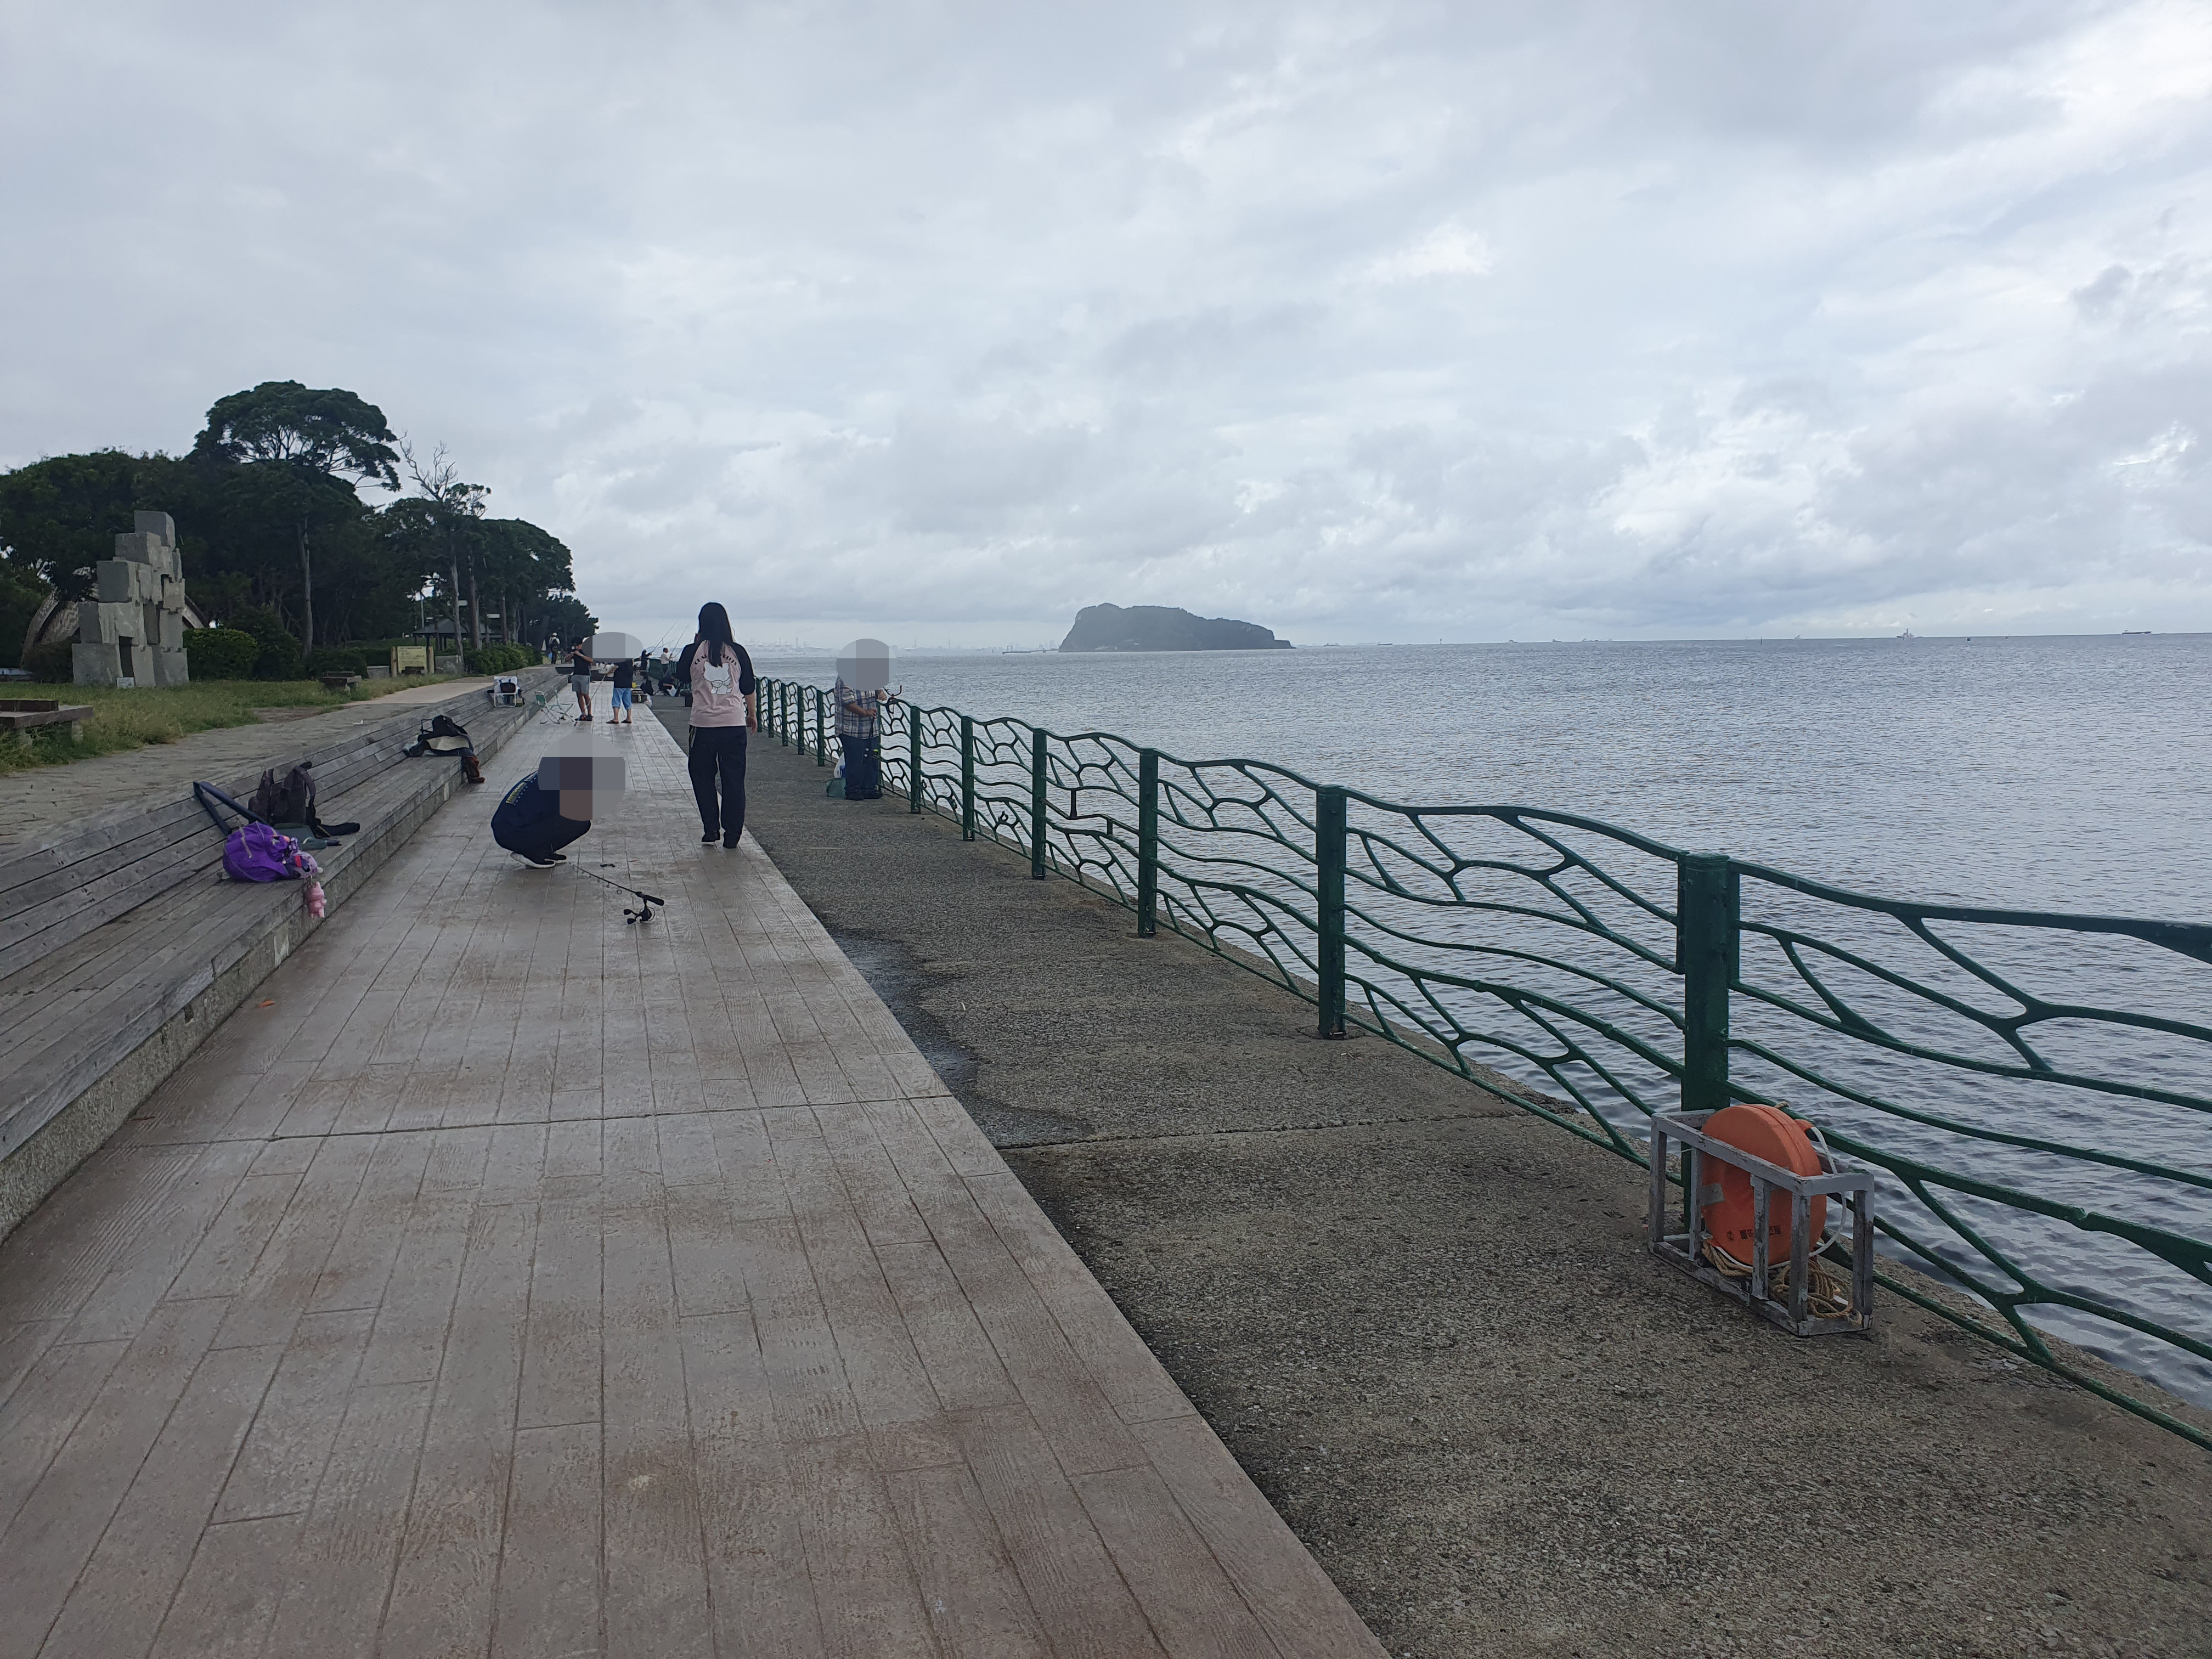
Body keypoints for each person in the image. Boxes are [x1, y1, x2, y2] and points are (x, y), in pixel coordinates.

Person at [679, 602, 756, 847]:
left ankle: (711, 828)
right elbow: (748, 687)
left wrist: (696, 642)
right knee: (734, 779)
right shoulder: (738, 651)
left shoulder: (693, 650)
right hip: (733, 723)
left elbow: (680, 676)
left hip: (702, 725)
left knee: (702, 777)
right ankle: (732, 836)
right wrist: (751, 714)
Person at [490, 770, 591, 867]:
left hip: (506, 829)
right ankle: (532, 853)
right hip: (511, 833)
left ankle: (543, 850)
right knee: (580, 822)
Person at [834, 673, 884, 799]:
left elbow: (877, 689)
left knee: (871, 760)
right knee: (855, 761)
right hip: (851, 729)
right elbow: (847, 703)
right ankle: (852, 790)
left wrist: (881, 693)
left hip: (871, 729)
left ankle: (869, 789)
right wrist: (865, 712)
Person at [567, 641, 594, 721]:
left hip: (585, 674)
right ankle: (583, 714)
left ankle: (590, 714)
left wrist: (580, 655)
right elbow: (567, 660)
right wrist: (571, 656)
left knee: (586, 694)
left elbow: (591, 660)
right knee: (579, 694)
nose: (576, 647)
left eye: (577, 645)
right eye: (575, 646)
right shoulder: (574, 652)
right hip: (576, 674)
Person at [610, 653, 636, 726]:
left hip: (619, 682)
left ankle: (616, 718)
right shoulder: (630, 660)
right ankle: (629, 718)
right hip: (628, 683)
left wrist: (608, 673)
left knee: (616, 700)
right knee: (628, 701)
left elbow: (615, 667)